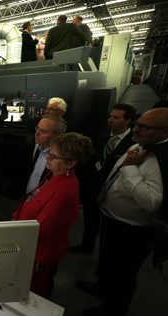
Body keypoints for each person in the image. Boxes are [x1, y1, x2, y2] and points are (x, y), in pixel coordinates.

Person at [79, 108, 168, 316]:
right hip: (112, 218)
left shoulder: (162, 161)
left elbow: (152, 202)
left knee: (123, 273)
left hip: (132, 229)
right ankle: (101, 287)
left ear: (165, 132)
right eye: (138, 123)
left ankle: (113, 310)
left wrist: (130, 169)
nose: (137, 128)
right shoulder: (137, 147)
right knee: (106, 261)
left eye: (144, 126)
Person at [13, 132, 94, 298]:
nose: (47, 158)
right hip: (30, 243)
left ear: (71, 163)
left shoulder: (64, 189)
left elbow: (41, 229)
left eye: (53, 156)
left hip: (39, 253)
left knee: (33, 293)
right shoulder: (55, 174)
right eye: (49, 153)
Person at [70, 104, 136, 254]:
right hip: (94, 187)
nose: (110, 120)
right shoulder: (103, 136)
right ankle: (86, 246)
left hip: (114, 190)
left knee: (109, 230)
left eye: (116, 117)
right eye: (110, 116)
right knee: (90, 220)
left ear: (128, 121)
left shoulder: (133, 143)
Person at [25, 115, 67, 196]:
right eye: (37, 128)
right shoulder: (38, 147)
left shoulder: (61, 159)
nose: (37, 133)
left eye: (43, 131)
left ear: (57, 135)